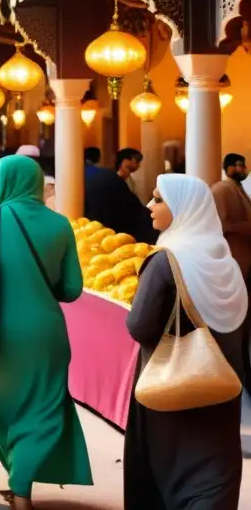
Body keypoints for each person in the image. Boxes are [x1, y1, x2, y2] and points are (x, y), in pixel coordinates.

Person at [0, 155, 92, 509]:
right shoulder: (60, 225)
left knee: (5, 405)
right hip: (44, 332)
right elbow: (72, 289)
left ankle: (19, 485)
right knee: (44, 408)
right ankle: (22, 481)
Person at [125, 174, 247, 510]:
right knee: (212, 475)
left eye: (158, 199)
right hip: (220, 389)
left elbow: (138, 326)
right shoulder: (227, 264)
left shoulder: (165, 261)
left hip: (172, 394)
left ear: (184, 208)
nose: (150, 206)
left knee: (171, 477)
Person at [83, 146, 157, 244]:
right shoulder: (110, 178)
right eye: (136, 161)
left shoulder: (104, 176)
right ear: (125, 161)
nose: (138, 165)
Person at [211, 154, 251, 278]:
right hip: (232, 252)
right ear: (229, 168)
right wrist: (241, 227)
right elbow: (219, 224)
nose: (244, 169)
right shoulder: (222, 189)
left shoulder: (237, 188)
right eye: (240, 166)